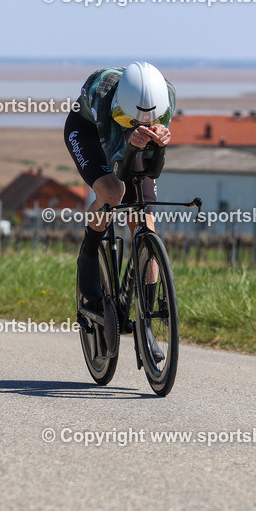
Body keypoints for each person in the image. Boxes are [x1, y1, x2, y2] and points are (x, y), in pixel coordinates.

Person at [63, 62, 175, 359]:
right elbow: (119, 167)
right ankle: (89, 250)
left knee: (145, 223)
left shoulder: (167, 97)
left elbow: (152, 170)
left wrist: (160, 146)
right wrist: (131, 143)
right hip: (89, 131)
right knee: (113, 192)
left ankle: (146, 326)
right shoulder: (102, 92)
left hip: (133, 138)